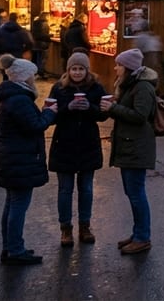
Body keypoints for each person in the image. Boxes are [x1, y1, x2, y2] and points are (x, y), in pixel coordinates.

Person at [0, 58, 58, 265]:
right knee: (18, 204)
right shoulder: (20, 100)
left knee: (11, 203)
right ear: (24, 76)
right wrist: (49, 113)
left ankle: (10, 247)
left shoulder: (7, 96)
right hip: (19, 158)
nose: (34, 78)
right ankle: (15, 250)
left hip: (9, 156)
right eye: (32, 74)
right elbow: (35, 125)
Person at [47, 52, 109, 247]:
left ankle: (85, 226)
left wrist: (89, 107)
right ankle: (65, 229)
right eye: (74, 68)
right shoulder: (58, 89)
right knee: (65, 189)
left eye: (81, 68)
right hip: (64, 145)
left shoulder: (96, 88)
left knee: (87, 189)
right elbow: (51, 116)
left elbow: (102, 115)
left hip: (88, 144)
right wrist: (69, 107)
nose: (77, 72)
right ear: (68, 70)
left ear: (86, 70)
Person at [99, 48, 157, 255]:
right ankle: (138, 233)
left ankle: (142, 237)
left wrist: (112, 109)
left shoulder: (141, 87)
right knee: (133, 193)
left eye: (119, 64)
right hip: (130, 145)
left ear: (128, 67)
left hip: (137, 147)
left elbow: (140, 115)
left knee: (136, 194)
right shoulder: (130, 85)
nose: (116, 67)